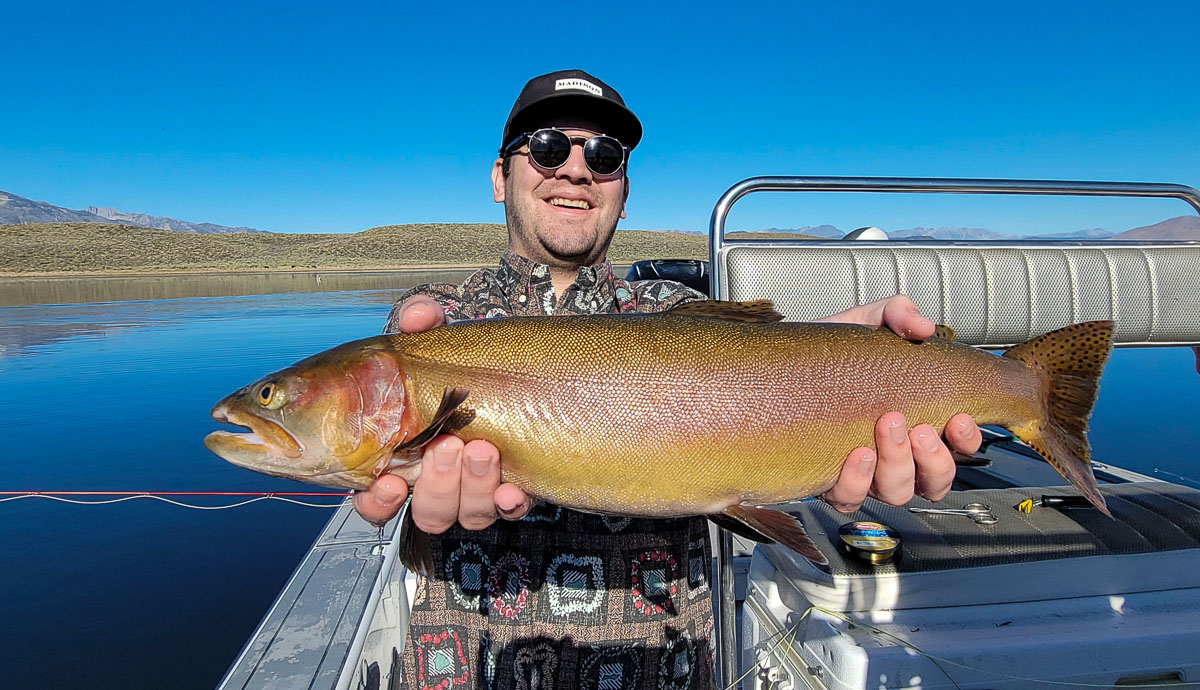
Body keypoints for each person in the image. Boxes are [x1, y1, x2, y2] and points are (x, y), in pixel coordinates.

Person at [354, 69, 982, 689]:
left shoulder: (669, 311)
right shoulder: (431, 328)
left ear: (623, 194)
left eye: (604, 155)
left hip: (664, 666)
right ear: (499, 177)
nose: (576, 170)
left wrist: (856, 353)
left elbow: (773, 379)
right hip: (470, 665)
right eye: (546, 147)